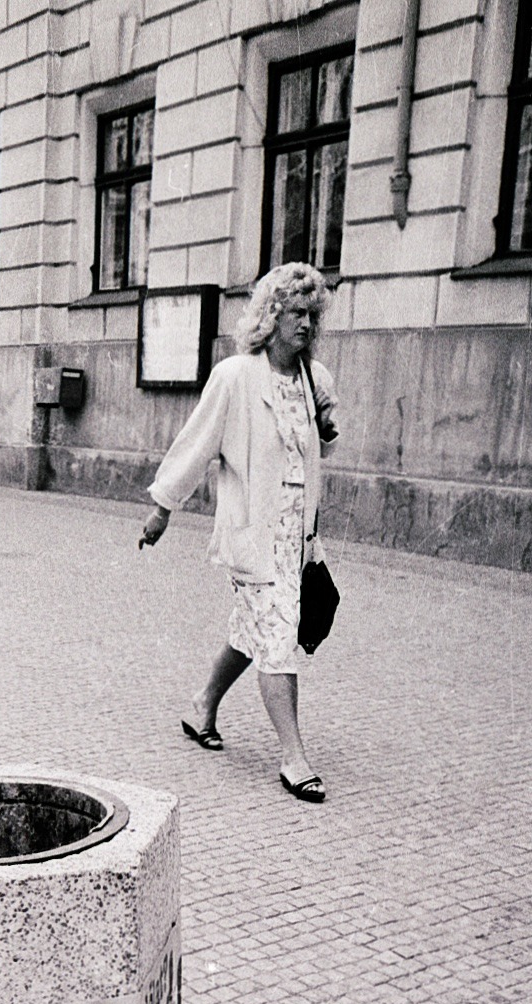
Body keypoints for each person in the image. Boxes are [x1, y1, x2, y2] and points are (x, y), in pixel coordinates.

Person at [140, 262, 340, 804]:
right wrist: (163, 507)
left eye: (312, 316)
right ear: (270, 317)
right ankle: (294, 758)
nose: (305, 325)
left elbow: (318, 449)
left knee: (253, 631)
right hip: (254, 534)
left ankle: (202, 705)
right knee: (277, 640)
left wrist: (324, 425)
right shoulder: (234, 376)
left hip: (297, 537)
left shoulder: (313, 379)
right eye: (296, 313)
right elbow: (196, 443)